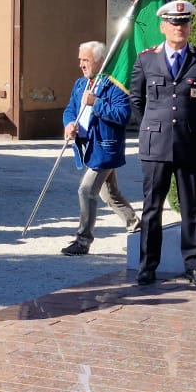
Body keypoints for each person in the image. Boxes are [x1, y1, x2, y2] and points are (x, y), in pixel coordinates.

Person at [128, 0, 196, 289]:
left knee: (191, 208)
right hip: (156, 144)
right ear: (163, 26)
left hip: (188, 142)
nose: (180, 28)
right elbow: (137, 100)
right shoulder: (147, 59)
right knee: (151, 208)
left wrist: (192, 126)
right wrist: (155, 125)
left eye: (185, 23)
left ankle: (194, 267)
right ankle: (147, 267)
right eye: (175, 23)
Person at [61, 41, 138, 255]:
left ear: (100, 62)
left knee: (86, 191)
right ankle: (138, 228)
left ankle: (83, 240)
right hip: (87, 148)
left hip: (105, 149)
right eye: (80, 60)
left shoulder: (115, 86)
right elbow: (70, 110)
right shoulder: (80, 84)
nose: (81, 65)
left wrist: (96, 103)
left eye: (86, 60)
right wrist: (68, 124)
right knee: (110, 194)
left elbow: (123, 116)